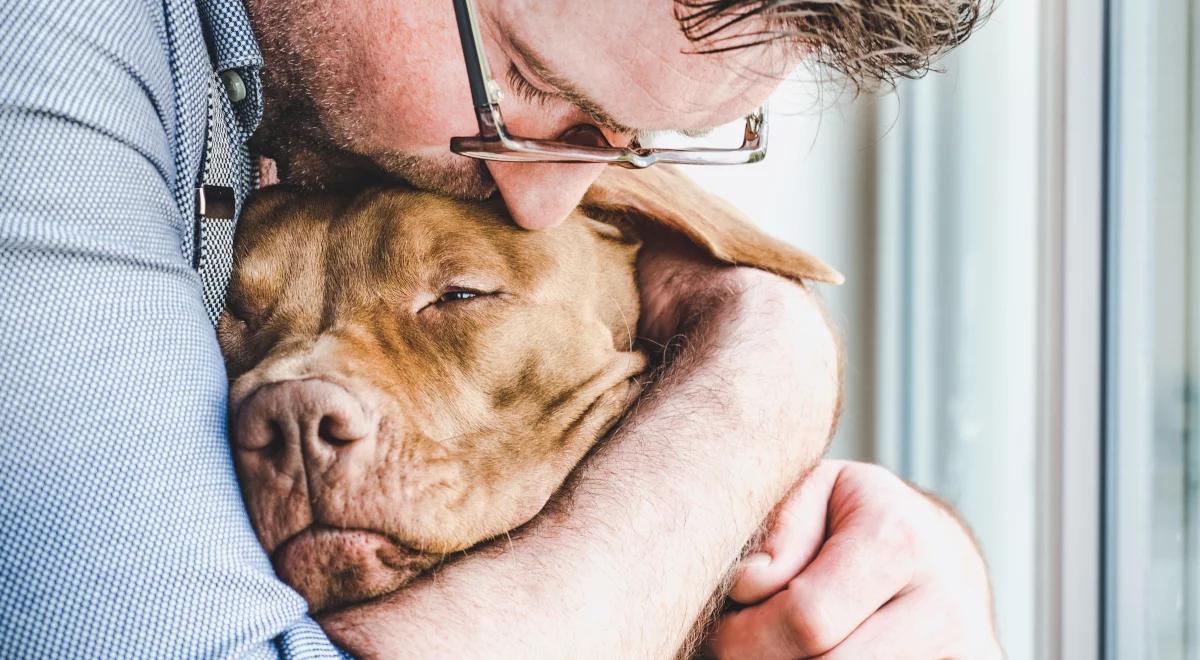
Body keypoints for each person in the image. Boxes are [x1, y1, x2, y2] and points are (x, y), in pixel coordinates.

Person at [0, 0, 1000, 657]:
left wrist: (877, 578)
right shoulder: (47, 47)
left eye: (619, 139)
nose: (540, 201)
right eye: (523, 81)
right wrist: (762, 378)